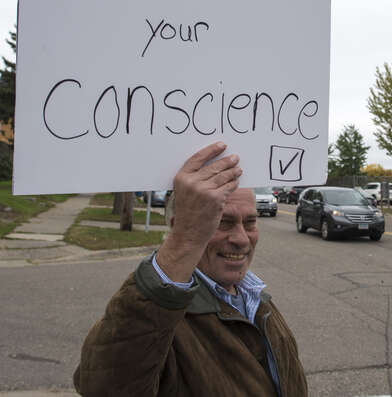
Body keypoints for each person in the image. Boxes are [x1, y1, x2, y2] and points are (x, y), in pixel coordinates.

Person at [73, 142, 308, 396]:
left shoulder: (255, 298)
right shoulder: (156, 318)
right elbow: (104, 387)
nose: (242, 238)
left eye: (250, 222)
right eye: (223, 222)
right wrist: (183, 240)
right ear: (181, 225)